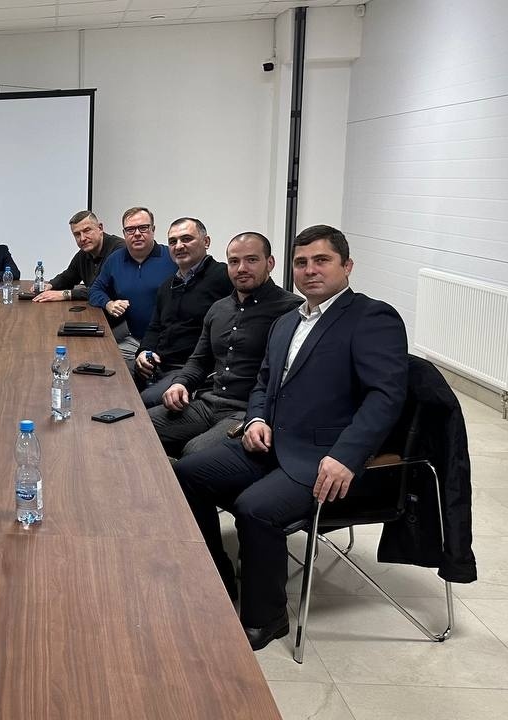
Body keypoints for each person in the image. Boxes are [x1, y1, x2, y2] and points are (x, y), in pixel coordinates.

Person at [173, 225, 408, 651]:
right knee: (186, 472)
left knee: (255, 508)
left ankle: (267, 617)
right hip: (271, 441)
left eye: (322, 261)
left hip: (325, 456)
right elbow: (264, 382)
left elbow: (385, 398)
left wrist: (347, 456)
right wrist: (256, 418)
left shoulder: (372, 317)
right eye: (302, 262)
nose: (310, 270)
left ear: (347, 266)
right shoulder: (287, 322)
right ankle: (218, 575)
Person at [150, 232, 301, 457]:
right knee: (138, 427)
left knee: (193, 452)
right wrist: (180, 384)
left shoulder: (291, 311)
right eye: (234, 261)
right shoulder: (218, 309)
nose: (241, 268)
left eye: (251, 260)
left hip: (247, 412)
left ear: (270, 263)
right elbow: (199, 360)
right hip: (207, 404)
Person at [133, 217, 233, 406]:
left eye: (186, 239)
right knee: (113, 381)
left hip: (190, 370)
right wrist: (144, 351)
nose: (179, 246)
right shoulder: (167, 286)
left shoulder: (224, 277)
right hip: (157, 365)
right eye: (173, 241)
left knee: (139, 403)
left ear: (206, 242)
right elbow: (155, 327)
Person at [88, 206, 177, 362]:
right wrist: (108, 304)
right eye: (130, 229)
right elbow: (95, 290)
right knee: (97, 358)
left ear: (153, 229)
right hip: (133, 339)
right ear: (124, 233)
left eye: (143, 228)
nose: (137, 234)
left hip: (166, 342)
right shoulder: (115, 259)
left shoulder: (172, 258)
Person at [31, 210, 122, 303]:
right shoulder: (84, 252)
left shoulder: (119, 250)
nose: (82, 238)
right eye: (77, 234)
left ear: (100, 228)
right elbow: (68, 277)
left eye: (87, 231)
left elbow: (106, 289)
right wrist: (50, 285)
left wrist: (64, 294)